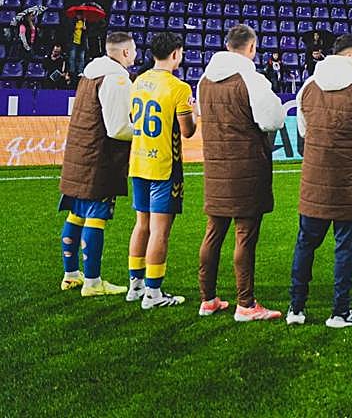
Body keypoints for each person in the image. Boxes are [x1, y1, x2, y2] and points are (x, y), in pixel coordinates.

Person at [288, 34, 352, 329]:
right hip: (348, 179)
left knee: (306, 242)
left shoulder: (308, 85)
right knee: (345, 245)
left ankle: (297, 307)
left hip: (315, 178)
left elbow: (305, 132)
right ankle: (340, 311)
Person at [195, 24, 286, 321]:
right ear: (251, 47)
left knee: (213, 233)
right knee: (245, 236)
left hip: (216, 166)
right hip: (247, 167)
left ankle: (207, 299)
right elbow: (272, 120)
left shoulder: (204, 79)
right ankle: (245, 304)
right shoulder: (252, 78)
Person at [57, 32, 138, 296]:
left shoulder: (90, 73)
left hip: (79, 155)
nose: (136, 55)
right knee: (95, 217)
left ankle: (71, 275)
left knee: (76, 213)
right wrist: (143, 132)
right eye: (134, 51)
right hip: (98, 160)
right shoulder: (116, 78)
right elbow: (117, 128)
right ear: (125, 52)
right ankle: (92, 282)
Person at [126, 32, 195, 309]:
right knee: (159, 231)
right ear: (176, 53)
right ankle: (153, 294)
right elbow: (188, 131)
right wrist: (194, 112)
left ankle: (135, 285)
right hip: (164, 165)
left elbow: (133, 118)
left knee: (141, 224)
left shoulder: (138, 81)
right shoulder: (180, 88)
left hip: (139, 161)